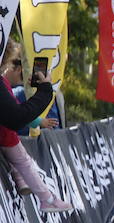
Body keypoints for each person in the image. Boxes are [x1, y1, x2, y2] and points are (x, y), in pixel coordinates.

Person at [0, 41, 71, 212]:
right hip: (7, 135)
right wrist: (44, 92)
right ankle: (47, 199)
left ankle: (22, 180)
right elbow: (17, 114)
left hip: (7, 134)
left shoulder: (5, 84)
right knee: (24, 161)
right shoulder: (4, 84)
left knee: (20, 161)